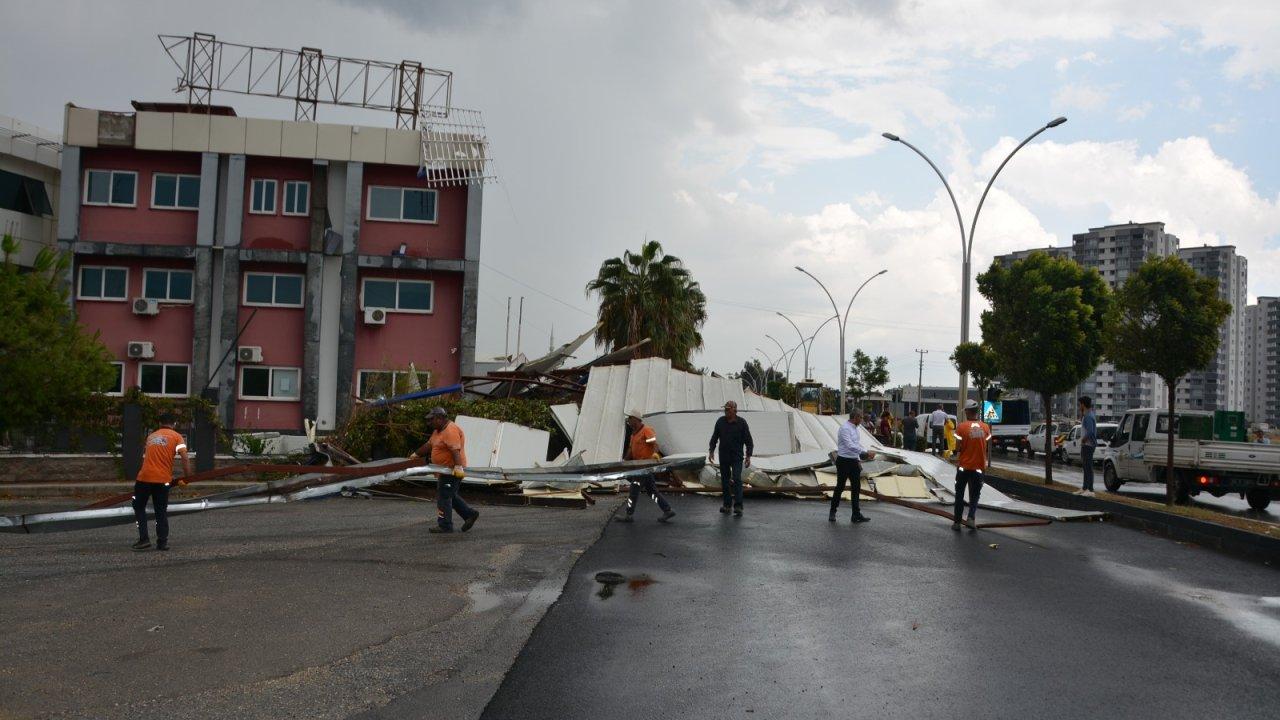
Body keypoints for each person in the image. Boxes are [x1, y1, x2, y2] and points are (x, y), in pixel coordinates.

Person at [409, 407, 479, 534]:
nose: (429, 423)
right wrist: (416, 454)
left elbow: (455, 451)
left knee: (444, 496)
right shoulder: (438, 431)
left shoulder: (450, 430)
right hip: (445, 471)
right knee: (449, 495)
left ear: (440, 418)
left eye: (432, 420)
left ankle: (445, 525)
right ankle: (469, 514)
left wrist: (458, 467)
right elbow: (429, 445)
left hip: (452, 471)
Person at [132, 413, 191, 551]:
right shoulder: (177, 437)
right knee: (161, 511)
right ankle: (162, 542)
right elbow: (185, 458)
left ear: (160, 423)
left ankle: (144, 539)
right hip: (162, 480)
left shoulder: (151, 436)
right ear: (174, 423)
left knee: (139, 507)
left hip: (143, 478)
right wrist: (188, 477)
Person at [619, 411, 676, 523]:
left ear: (636, 419)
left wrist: (655, 454)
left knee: (634, 489)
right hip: (639, 467)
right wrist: (624, 461)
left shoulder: (646, 430)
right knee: (652, 491)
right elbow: (631, 450)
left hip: (645, 467)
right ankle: (667, 510)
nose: (629, 421)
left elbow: (654, 443)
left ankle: (629, 514)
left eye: (630, 419)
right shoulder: (634, 434)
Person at [952, 400, 993, 530]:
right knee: (975, 494)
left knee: (959, 493)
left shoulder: (961, 427)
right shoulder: (986, 427)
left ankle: (957, 522)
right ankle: (971, 518)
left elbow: (958, 447)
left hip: (964, 466)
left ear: (968, 412)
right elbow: (986, 442)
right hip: (979, 467)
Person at [708, 401, 754, 517]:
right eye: (725, 409)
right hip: (724, 456)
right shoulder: (720, 422)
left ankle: (738, 506)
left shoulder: (742, 423)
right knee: (725, 480)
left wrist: (748, 456)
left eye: (728, 409)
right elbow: (714, 437)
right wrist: (711, 451)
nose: (726, 411)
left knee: (737, 478)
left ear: (734, 410)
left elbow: (749, 441)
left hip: (737, 457)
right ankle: (727, 505)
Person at [831, 410, 875, 523]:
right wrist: (865, 453)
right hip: (844, 461)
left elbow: (857, 445)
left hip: (853, 461)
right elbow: (849, 445)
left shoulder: (856, 429)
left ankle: (856, 514)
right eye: (860, 417)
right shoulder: (845, 428)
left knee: (856, 488)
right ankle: (832, 512)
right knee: (840, 487)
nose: (862, 420)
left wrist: (862, 456)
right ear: (855, 417)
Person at [1077, 396, 1098, 497]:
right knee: (1085, 467)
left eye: (1079, 404)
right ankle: (1085, 487)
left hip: (1088, 445)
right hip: (1086, 445)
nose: (1079, 406)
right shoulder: (1087, 415)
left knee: (1088, 467)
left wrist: (1083, 440)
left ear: (1083, 405)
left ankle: (1090, 489)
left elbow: (1090, 432)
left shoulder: (1089, 416)